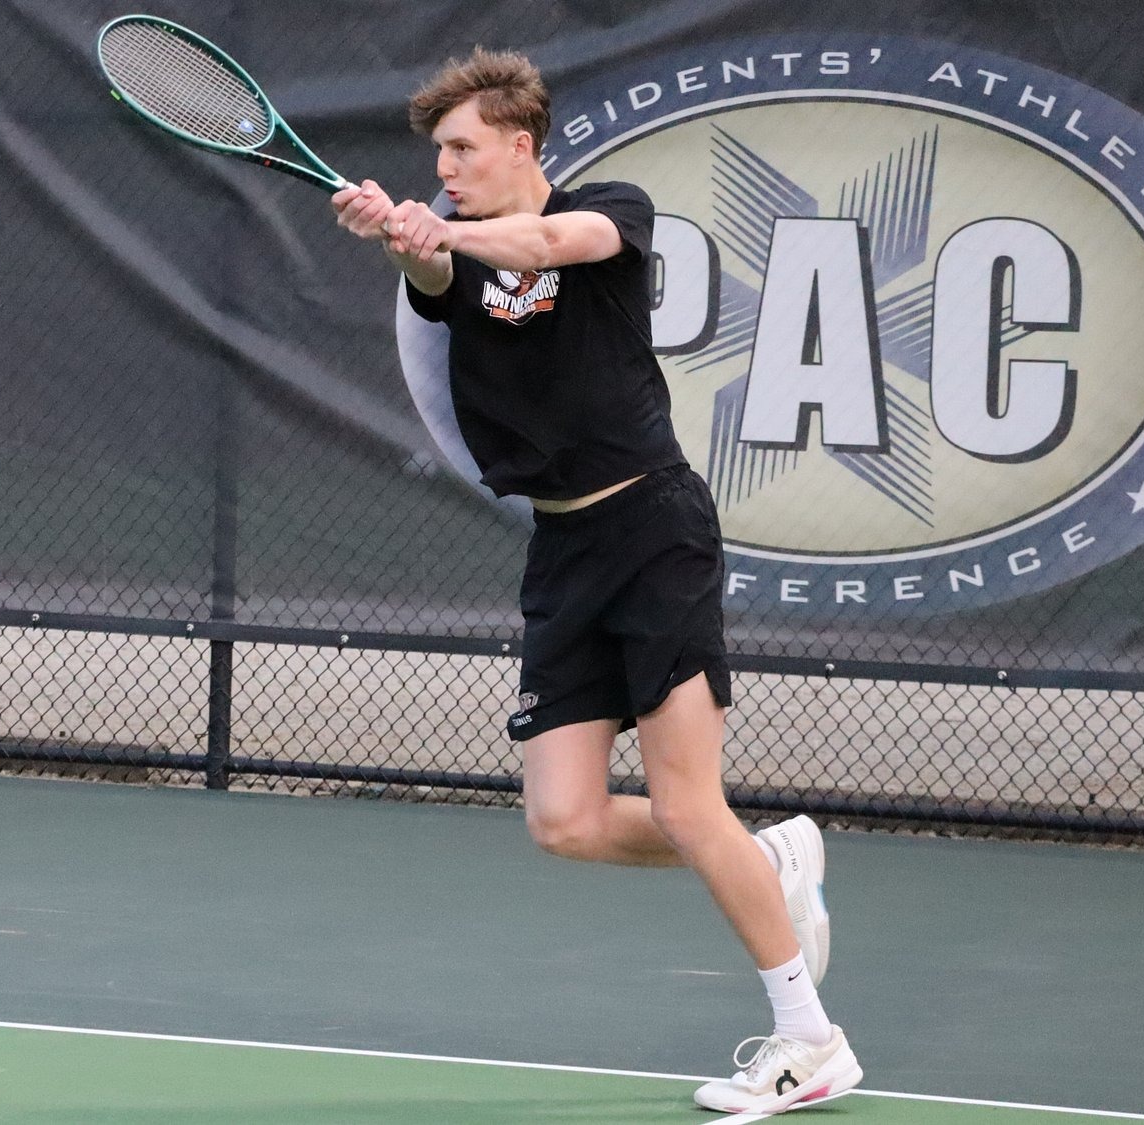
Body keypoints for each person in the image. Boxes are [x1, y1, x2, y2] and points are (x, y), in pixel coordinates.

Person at [329, 47, 862, 1115]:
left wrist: (441, 228)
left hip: (652, 528)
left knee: (684, 802)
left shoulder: (610, 210)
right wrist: (405, 239)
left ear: (520, 143)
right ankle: (765, 862)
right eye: (437, 156)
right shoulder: (456, 248)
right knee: (564, 821)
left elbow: (545, 243)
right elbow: (436, 281)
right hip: (563, 550)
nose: (445, 169)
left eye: (461, 149)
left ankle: (811, 1042)